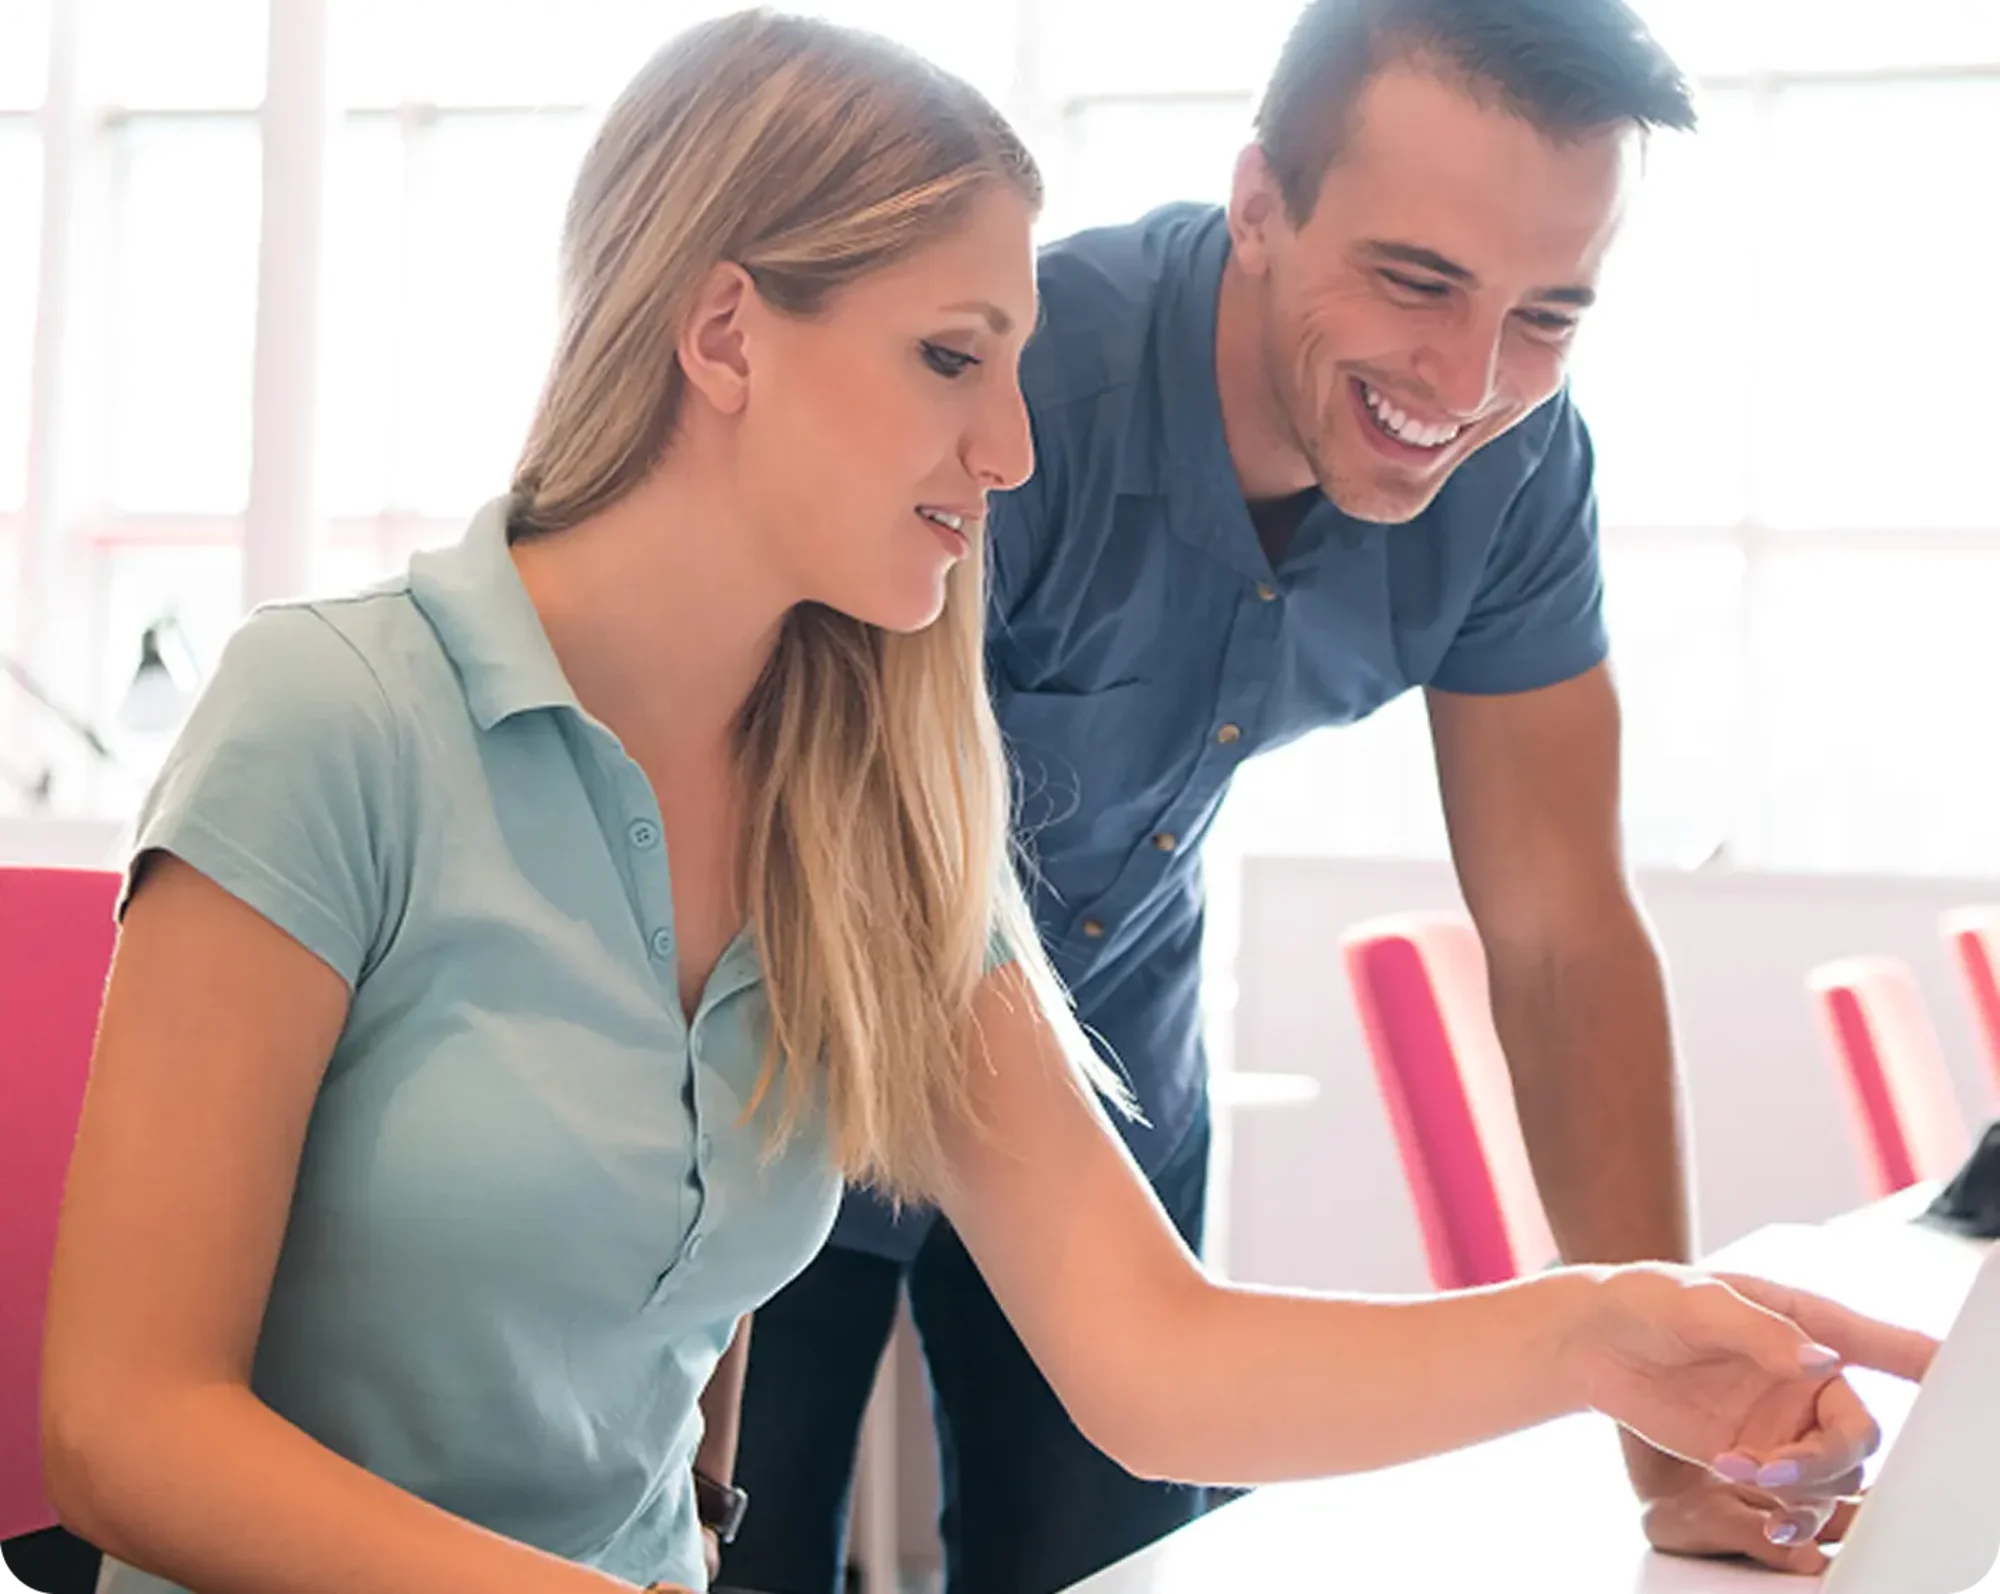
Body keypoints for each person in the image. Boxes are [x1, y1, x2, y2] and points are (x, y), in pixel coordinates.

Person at [41, 12, 1931, 1594]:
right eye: (953, 360)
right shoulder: (335, 713)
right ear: (723, 337)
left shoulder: (879, 806)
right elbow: (125, 1424)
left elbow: (1156, 1353)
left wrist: (1602, 1333)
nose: (1014, 448)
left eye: (1012, 362)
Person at [726, 2, 1843, 1590]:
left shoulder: (1519, 470)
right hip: (790, 1069)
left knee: (1110, 1571)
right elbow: (815, 835)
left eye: (1548, 314)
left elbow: (1560, 936)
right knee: (734, 1560)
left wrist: (1677, 1435)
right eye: (1415, 281)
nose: (1468, 380)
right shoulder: (1014, 389)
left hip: (1109, 1082)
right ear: (1260, 200)